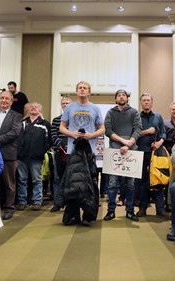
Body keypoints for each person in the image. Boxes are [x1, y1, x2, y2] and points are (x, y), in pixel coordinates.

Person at [57, 81, 105, 226]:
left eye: (85, 88)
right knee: (73, 184)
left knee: (90, 183)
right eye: (80, 88)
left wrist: (91, 135)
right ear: (77, 91)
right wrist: (72, 134)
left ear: (89, 92)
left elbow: (102, 129)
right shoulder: (69, 108)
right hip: (73, 151)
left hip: (89, 152)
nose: (82, 90)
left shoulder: (95, 108)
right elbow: (61, 127)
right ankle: (74, 216)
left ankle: (88, 215)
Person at [103, 89, 142, 222]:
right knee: (113, 184)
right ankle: (111, 211)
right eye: (119, 95)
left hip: (131, 152)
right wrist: (122, 141)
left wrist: (128, 144)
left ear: (127, 98)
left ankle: (130, 211)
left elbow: (138, 129)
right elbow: (108, 130)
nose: (121, 97)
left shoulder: (134, 112)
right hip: (114, 151)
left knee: (130, 184)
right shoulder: (110, 113)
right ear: (116, 99)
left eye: (123, 95)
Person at [0, 91, 22, 220]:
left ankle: (9, 208)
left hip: (8, 153)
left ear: (11, 101)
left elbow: (14, 132)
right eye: (2, 98)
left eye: (7, 98)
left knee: (9, 184)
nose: (4, 100)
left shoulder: (17, 116)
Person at [135, 93, 168, 218]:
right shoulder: (136, 116)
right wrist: (147, 132)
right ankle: (142, 208)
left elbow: (164, 134)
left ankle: (160, 209)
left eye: (148, 100)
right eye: (144, 100)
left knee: (158, 180)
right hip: (140, 152)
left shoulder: (158, 117)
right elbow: (134, 134)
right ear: (141, 103)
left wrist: (159, 143)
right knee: (142, 182)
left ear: (152, 102)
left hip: (156, 154)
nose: (146, 102)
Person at [16, 102, 52, 211]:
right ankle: (22, 201)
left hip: (36, 157)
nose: (33, 108)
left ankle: (37, 201)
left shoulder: (45, 124)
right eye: (32, 107)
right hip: (21, 156)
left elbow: (50, 140)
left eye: (36, 107)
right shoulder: (23, 123)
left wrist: (41, 151)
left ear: (40, 110)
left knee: (37, 180)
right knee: (22, 179)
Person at [50, 96, 71, 212]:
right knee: (58, 178)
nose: (65, 105)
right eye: (63, 103)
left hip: (72, 153)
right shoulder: (56, 120)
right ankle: (57, 203)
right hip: (59, 152)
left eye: (68, 103)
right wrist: (61, 145)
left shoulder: (75, 119)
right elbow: (53, 135)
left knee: (70, 179)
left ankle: (69, 203)